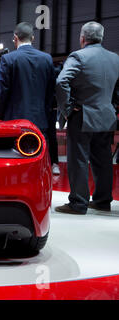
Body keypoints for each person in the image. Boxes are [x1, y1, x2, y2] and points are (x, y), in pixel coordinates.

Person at [55, 22, 119, 215]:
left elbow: (61, 81)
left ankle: (78, 202)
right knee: (104, 160)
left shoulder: (78, 56)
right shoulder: (115, 58)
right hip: (107, 116)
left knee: (79, 160)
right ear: (101, 37)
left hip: (83, 115)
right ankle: (102, 200)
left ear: (82, 38)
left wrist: (67, 108)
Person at [0, 22, 54, 137]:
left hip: (14, 122)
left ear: (15, 38)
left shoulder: (8, 59)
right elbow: (50, 93)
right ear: (33, 38)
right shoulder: (47, 59)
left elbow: (2, 93)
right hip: (40, 122)